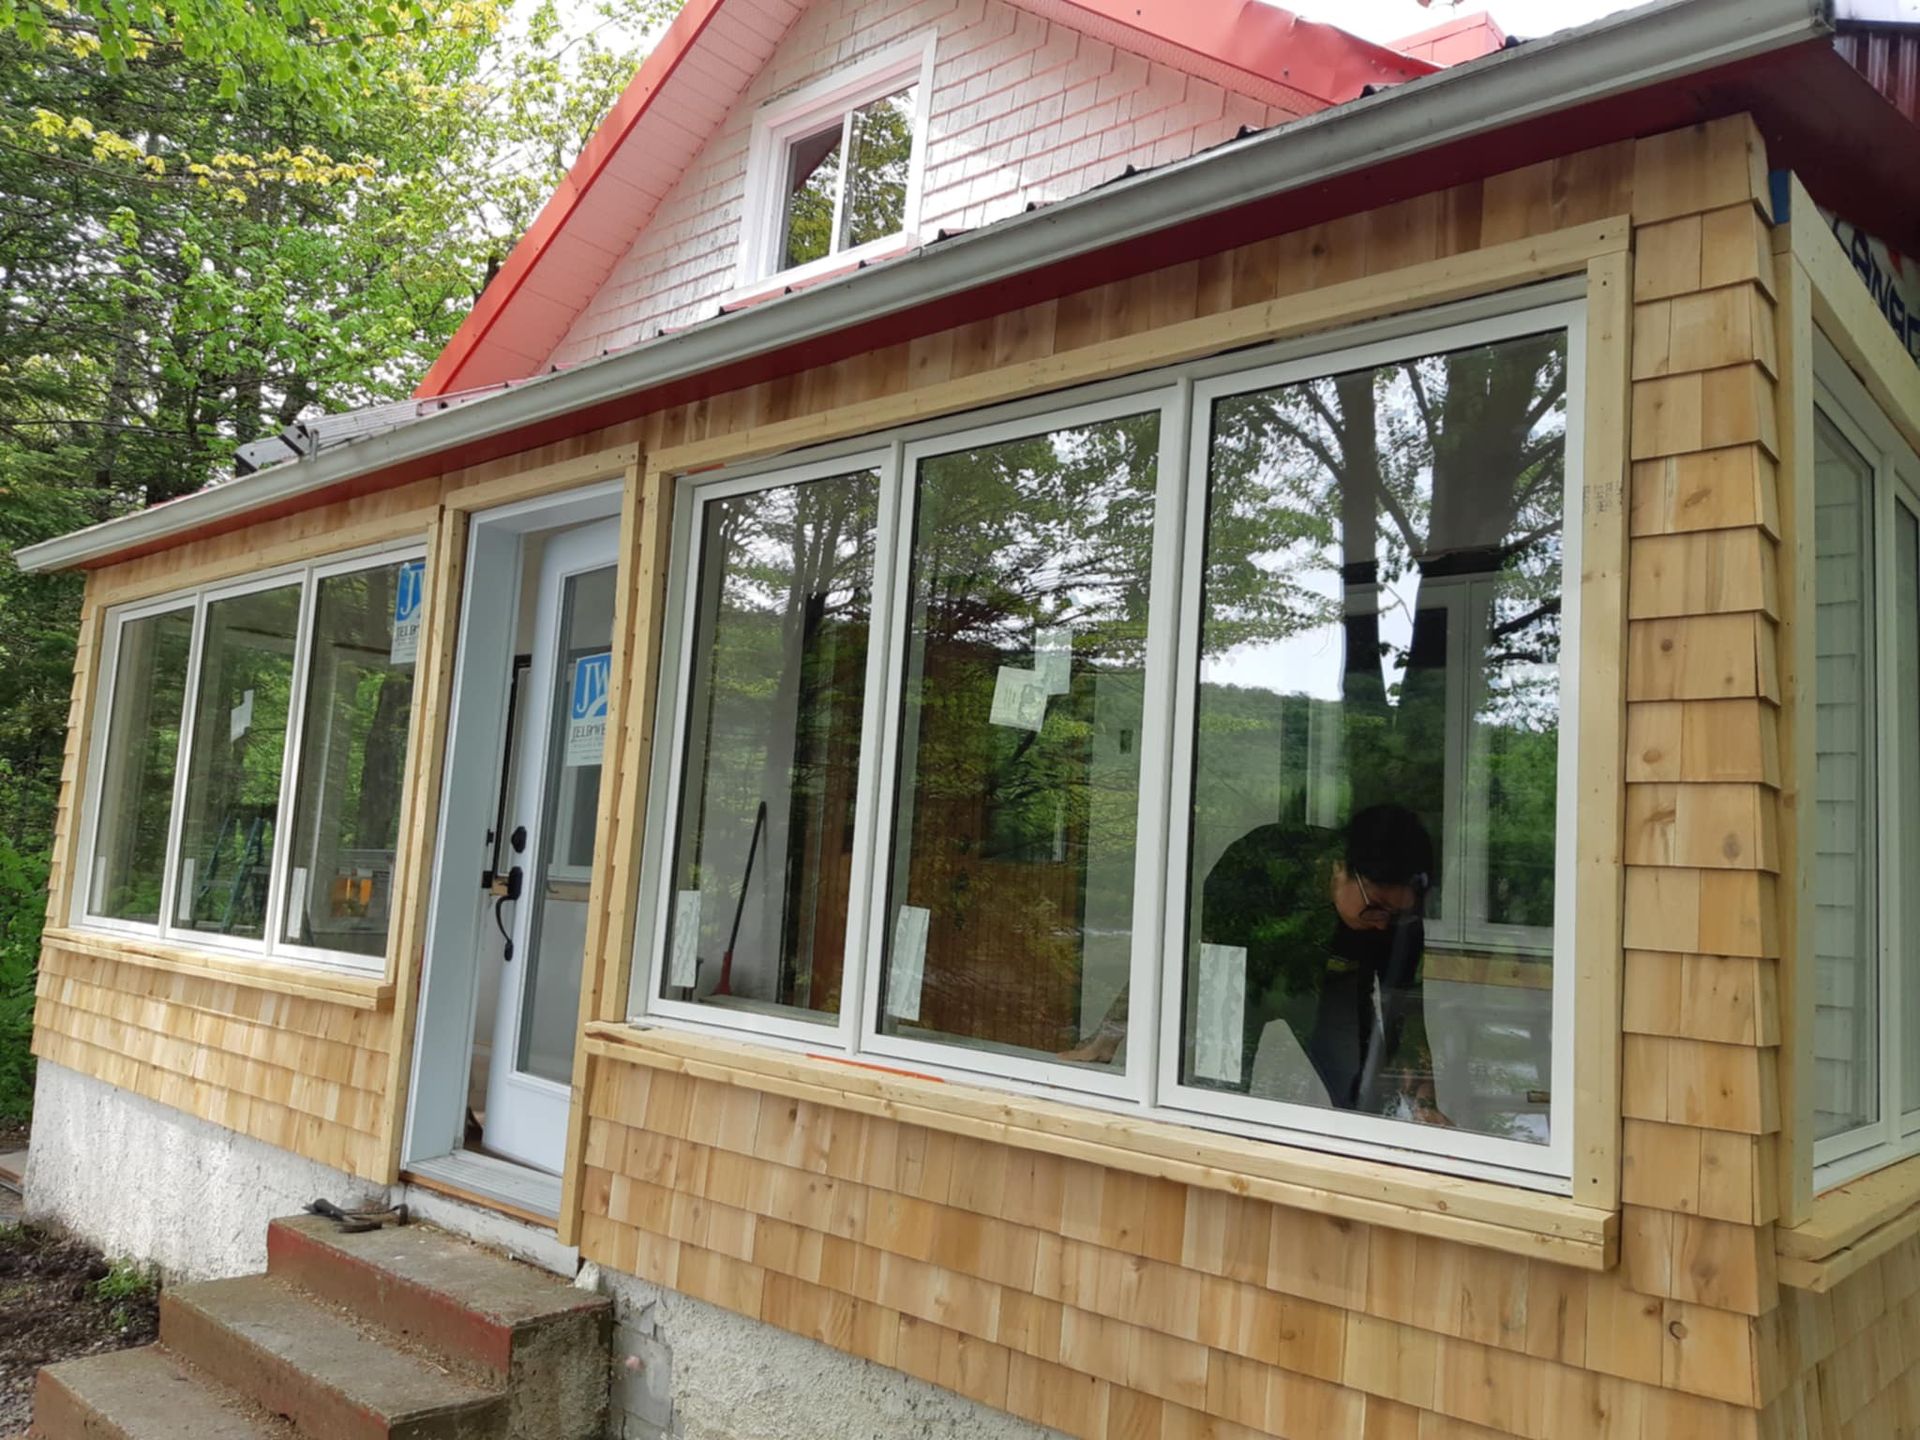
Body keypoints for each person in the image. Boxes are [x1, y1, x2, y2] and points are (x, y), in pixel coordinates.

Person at [1061, 803, 1451, 1127]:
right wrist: (1110, 1032)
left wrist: (1421, 1095)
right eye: (1375, 908)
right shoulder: (1260, 863)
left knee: (1371, 1104)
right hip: (1239, 978)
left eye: (1397, 915)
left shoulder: (1400, 916)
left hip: (1333, 987)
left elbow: (1403, 1001)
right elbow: (1190, 955)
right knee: (1212, 1096)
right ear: (1340, 868)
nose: (1383, 923)